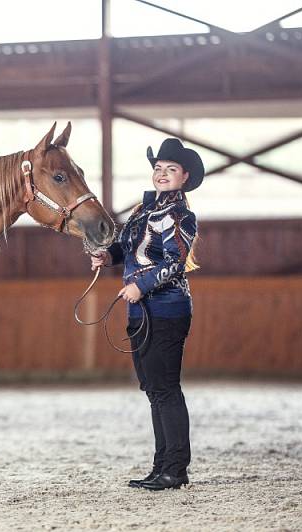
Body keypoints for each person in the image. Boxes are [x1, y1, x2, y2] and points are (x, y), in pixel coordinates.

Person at [91, 138, 204, 491]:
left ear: (184, 176)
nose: (163, 174)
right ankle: (163, 466)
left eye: (171, 169)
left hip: (167, 309)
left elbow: (175, 263)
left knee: (166, 389)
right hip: (141, 311)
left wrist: (142, 286)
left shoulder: (180, 215)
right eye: (159, 168)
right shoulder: (144, 211)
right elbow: (129, 250)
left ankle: (176, 468)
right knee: (155, 389)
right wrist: (107, 256)